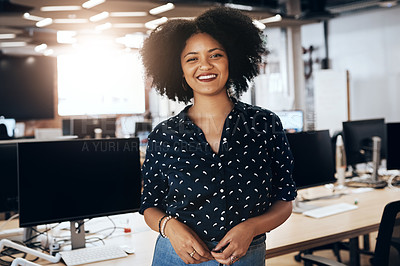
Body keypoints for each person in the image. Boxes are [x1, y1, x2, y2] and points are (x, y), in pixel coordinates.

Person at [139, 6, 297, 266]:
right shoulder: (164, 135)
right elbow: (150, 205)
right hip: (177, 256)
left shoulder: (264, 124)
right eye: (192, 59)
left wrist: (252, 228)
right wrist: (170, 227)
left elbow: (284, 200)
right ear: (178, 69)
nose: (205, 66)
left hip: (245, 255)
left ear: (231, 59)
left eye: (215, 55)